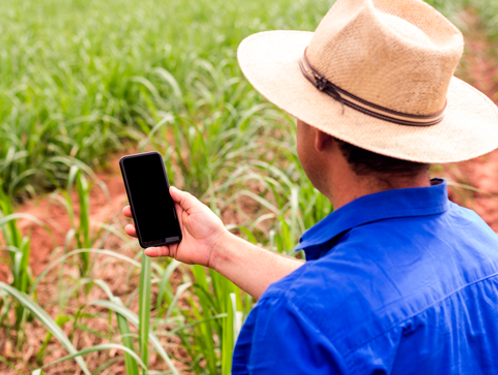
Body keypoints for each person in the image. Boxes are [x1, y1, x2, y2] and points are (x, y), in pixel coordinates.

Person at [123, 0, 498, 373]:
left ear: (320, 132)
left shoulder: (297, 322)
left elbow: (336, 310)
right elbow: (360, 304)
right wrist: (219, 248)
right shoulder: (481, 242)